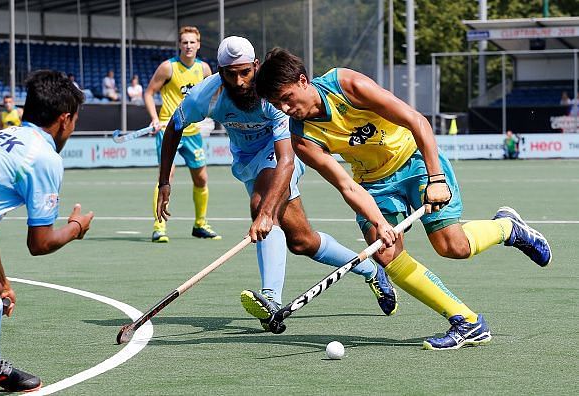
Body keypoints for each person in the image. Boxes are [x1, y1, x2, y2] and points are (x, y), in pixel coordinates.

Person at [255, 48, 552, 350]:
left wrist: (436, 178)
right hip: (372, 182)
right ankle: (467, 321)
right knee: (385, 253)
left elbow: (416, 120)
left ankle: (508, 228)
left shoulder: (345, 85)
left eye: (287, 97)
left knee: (453, 247)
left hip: (414, 161)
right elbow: (346, 185)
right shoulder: (302, 137)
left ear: (303, 81)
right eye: (278, 103)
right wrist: (379, 222)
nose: (285, 107)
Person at [157, 37, 397, 330]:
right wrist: (164, 183)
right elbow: (174, 126)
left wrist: (267, 212)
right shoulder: (205, 95)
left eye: (245, 72)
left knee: (261, 205)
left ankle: (271, 298)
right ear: (219, 72)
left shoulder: (273, 96)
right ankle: (371, 269)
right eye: (230, 74)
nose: (240, 81)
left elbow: (286, 159)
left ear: (256, 66)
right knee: (302, 241)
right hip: (247, 164)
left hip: (281, 156)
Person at [0, 70, 94, 391]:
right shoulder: (43, 157)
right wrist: (76, 227)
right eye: (74, 121)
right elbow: (40, 243)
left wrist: (3, 283)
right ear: (64, 119)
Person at [144, 26, 219, 242]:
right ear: (179, 44)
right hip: (170, 130)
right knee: (167, 176)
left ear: (198, 44)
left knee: (201, 178)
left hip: (193, 131)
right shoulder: (168, 68)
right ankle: (159, 226)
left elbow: (215, 95)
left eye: (192, 42)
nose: (188, 46)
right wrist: (155, 118)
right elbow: (149, 93)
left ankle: (200, 224)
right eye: (184, 42)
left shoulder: (204, 69)